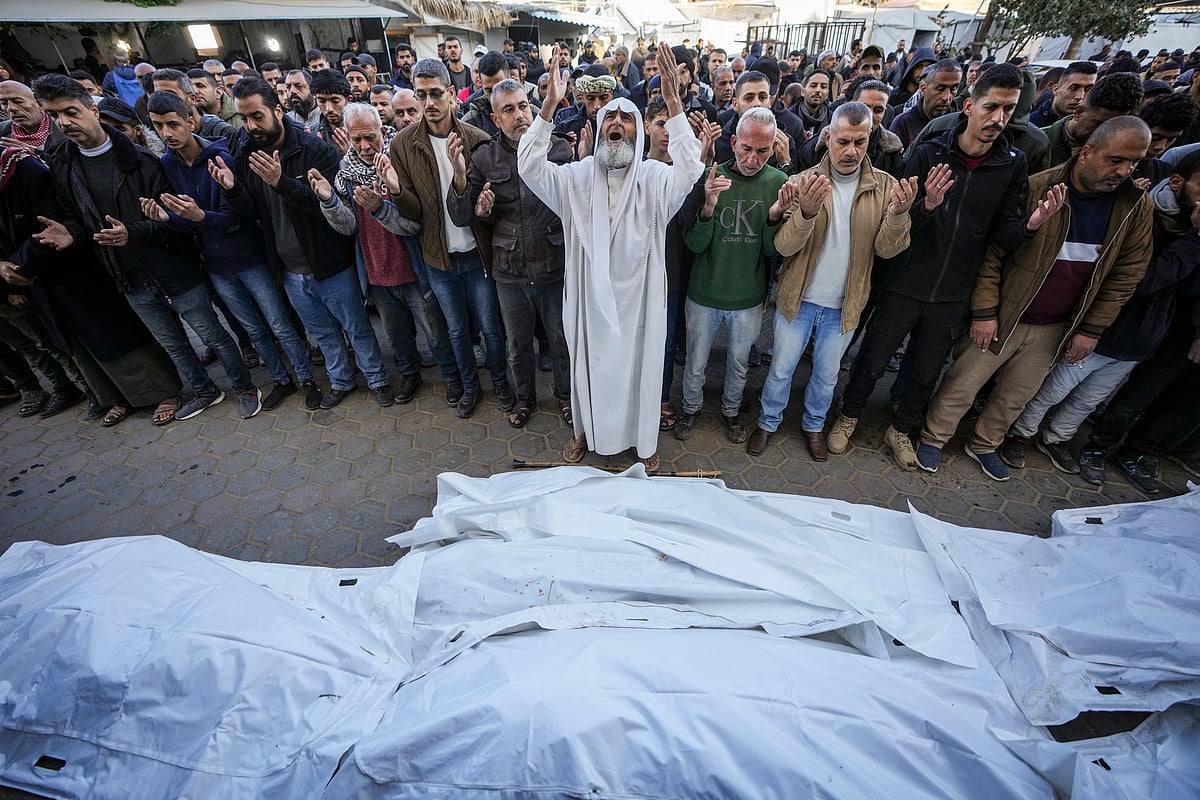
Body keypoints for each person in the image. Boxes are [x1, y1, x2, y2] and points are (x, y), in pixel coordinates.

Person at [826, 65, 1045, 471]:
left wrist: (1030, 227)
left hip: (954, 292)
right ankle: (849, 415)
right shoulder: (929, 153)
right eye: (991, 107)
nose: (999, 118)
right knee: (873, 358)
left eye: (1008, 109)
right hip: (906, 281)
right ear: (970, 105)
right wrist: (926, 205)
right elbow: (898, 221)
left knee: (926, 370)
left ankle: (903, 430)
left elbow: (1004, 234)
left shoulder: (1012, 164)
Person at [918, 117, 1154, 481]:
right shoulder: (1037, 187)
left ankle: (984, 444)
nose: (1124, 171)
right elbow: (993, 251)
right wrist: (984, 311)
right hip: (1005, 314)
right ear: (1087, 153)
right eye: (1116, 160)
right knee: (964, 382)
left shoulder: (1136, 208)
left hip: (1056, 326)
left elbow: (1127, 275)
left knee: (1016, 395)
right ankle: (934, 437)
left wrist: (1090, 328)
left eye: (1133, 163)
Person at [517, 41, 705, 470]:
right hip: (589, 304)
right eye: (609, 118)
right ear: (599, 128)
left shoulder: (656, 180)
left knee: (641, 369)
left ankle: (643, 443)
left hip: (639, 307)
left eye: (626, 117)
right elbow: (528, 166)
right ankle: (586, 433)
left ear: (638, 132)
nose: (616, 123)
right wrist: (546, 109)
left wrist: (675, 107)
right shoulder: (575, 180)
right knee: (589, 368)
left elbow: (691, 168)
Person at [32, 74, 261, 422]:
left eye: (71, 112)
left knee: (212, 334)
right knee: (173, 344)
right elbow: (77, 218)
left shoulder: (143, 160)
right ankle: (204, 391)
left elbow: (171, 220)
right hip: (127, 276)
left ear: (92, 110)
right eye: (55, 115)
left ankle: (245, 387)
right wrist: (71, 234)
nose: (64, 122)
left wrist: (133, 233)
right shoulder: (63, 163)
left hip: (174, 270)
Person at [1000, 152, 1200, 481]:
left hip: (1141, 339)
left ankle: (1057, 438)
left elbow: (1188, 288)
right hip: (1104, 330)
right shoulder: (1143, 216)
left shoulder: (1189, 234)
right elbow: (1144, 279)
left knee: (1089, 399)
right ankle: (1019, 434)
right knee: (1054, 389)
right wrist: (1194, 240)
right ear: (1177, 182)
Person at [216, 77, 394, 410]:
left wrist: (281, 183)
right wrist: (231, 189)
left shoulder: (314, 150)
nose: (250, 125)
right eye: (244, 118)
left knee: (356, 327)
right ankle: (341, 380)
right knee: (323, 333)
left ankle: (377, 379)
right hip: (289, 269)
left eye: (257, 116)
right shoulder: (246, 153)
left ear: (278, 111)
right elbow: (252, 213)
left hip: (328, 262)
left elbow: (328, 208)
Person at [749, 103, 915, 459]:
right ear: (828, 138)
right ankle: (767, 422)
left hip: (844, 306)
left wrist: (899, 216)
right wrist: (806, 214)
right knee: (780, 370)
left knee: (826, 376)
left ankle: (813, 426)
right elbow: (783, 245)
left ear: (869, 138)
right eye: (843, 141)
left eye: (859, 141)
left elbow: (887, 251)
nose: (851, 151)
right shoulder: (801, 182)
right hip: (799, 301)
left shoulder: (885, 188)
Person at [144, 90, 317, 412]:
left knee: (279, 324)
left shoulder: (221, 155)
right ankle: (281, 380)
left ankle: (307, 379)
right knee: (253, 329)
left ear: (189, 120)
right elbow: (187, 225)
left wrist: (200, 216)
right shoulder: (166, 165)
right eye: (158, 126)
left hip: (250, 259)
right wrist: (170, 218)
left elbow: (240, 217)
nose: (167, 134)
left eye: (173, 125)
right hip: (217, 266)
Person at [386, 58, 513, 418]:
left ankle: (501, 382)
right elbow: (413, 213)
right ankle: (470, 387)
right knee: (456, 331)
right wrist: (396, 191)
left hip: (478, 255)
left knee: (490, 328)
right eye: (421, 95)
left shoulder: (478, 140)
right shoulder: (403, 145)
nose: (428, 103)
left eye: (435, 94)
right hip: (439, 258)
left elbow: (492, 205)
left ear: (452, 96)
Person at [313, 102, 460, 406]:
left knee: (435, 333)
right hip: (377, 274)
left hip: (413, 269)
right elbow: (348, 227)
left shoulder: (400, 161)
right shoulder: (346, 174)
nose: (365, 146)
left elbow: (413, 224)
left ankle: (452, 377)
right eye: (357, 140)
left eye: (370, 137)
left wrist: (379, 208)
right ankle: (409, 374)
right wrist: (329, 201)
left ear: (382, 130)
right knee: (396, 337)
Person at [453, 79, 573, 428]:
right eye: (509, 109)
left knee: (561, 340)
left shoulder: (559, 148)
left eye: (523, 105)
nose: (520, 115)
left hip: (555, 266)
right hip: (509, 271)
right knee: (518, 345)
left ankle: (566, 397)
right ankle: (525, 399)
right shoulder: (484, 157)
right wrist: (470, 193)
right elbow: (462, 215)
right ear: (495, 118)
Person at [674, 108, 793, 445]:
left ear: (774, 148)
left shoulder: (779, 183)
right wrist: (708, 206)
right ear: (733, 142)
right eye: (745, 149)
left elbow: (773, 251)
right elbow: (695, 243)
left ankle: (730, 411)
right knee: (696, 361)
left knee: (740, 363)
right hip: (704, 293)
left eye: (762, 151)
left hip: (748, 297)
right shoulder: (713, 176)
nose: (752, 159)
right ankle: (691, 408)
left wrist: (774, 216)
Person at [1041, 71, 1142, 168]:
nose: (1104, 133)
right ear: (1078, 112)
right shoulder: (1036, 143)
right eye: (1099, 124)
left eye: (1114, 128)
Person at [889, 59, 961, 148]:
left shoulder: (960, 124)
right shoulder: (903, 123)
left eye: (953, 89)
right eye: (940, 89)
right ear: (923, 89)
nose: (947, 97)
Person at [0, 80, 68, 153]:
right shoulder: (3, 133)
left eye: (18, 102)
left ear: (39, 104)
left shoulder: (65, 128)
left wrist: (33, 153)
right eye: (4, 103)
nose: (11, 108)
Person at [1028, 61, 1097, 128]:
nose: (1080, 96)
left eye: (1088, 90)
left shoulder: (1089, 131)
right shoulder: (1029, 124)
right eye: (1074, 88)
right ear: (1056, 89)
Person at [310, 69, 352, 154]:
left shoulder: (362, 129)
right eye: (322, 101)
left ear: (348, 100)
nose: (329, 109)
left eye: (335, 101)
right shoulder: (313, 132)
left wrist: (351, 155)